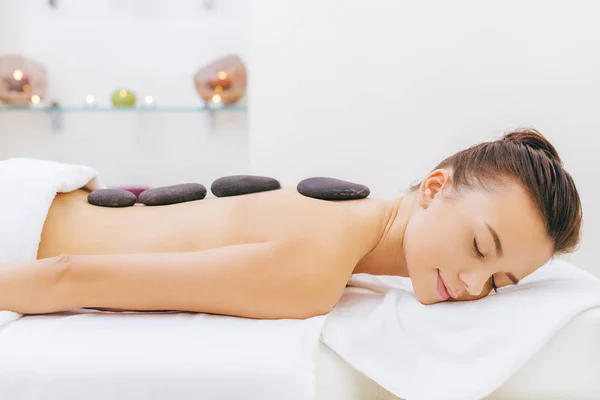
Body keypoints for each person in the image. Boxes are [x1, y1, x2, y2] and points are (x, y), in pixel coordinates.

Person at [0, 128, 582, 320]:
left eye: (501, 283)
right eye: (481, 248)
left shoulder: (348, 215)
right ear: (434, 189)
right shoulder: (315, 269)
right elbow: (69, 277)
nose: (476, 287)